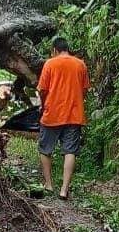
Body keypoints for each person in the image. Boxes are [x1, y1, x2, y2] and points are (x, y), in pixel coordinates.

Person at [36, 37, 90, 200]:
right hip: (74, 114)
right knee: (70, 151)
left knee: (45, 149)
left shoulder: (50, 64)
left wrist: (43, 105)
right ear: (67, 48)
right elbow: (84, 90)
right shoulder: (80, 64)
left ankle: (49, 184)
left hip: (52, 113)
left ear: (54, 50)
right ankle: (64, 190)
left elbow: (42, 90)